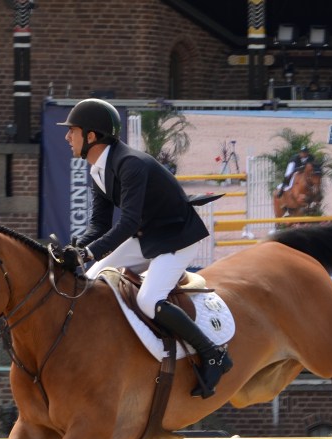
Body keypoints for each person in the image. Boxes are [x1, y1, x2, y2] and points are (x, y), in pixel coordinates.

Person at [58, 98, 231, 398]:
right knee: (91, 280)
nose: (66, 137)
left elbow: (127, 222)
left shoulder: (130, 164)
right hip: (148, 236)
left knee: (150, 300)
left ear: (91, 136)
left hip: (176, 238)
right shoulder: (98, 169)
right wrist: (75, 249)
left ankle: (213, 354)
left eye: (72, 130)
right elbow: (99, 225)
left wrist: (88, 253)